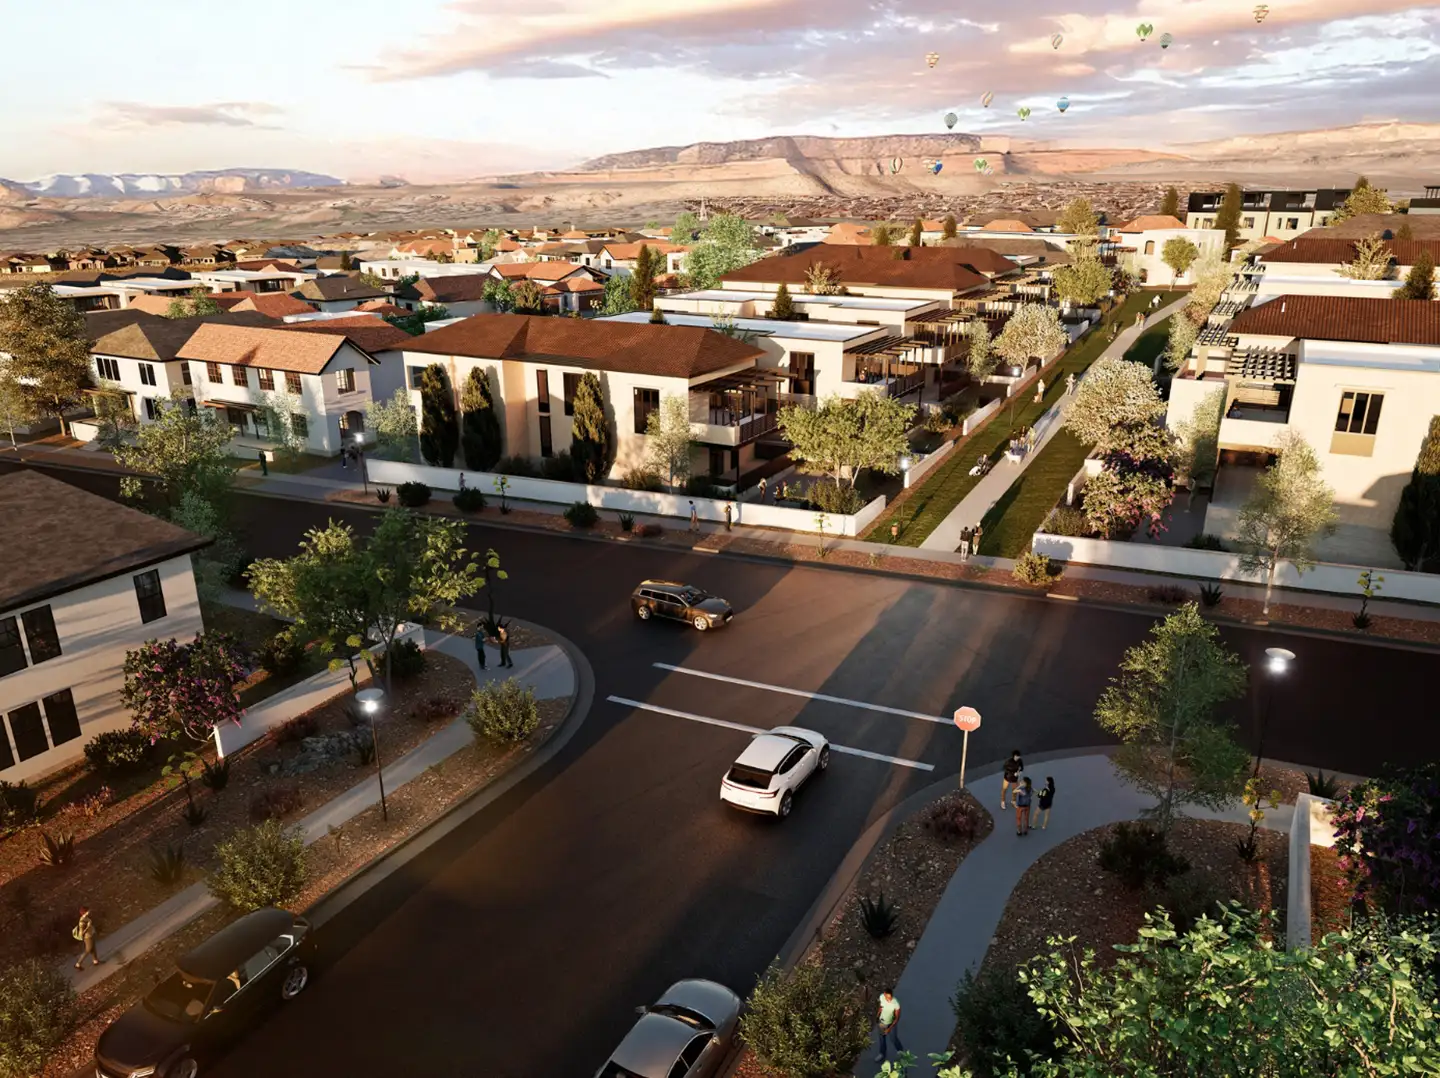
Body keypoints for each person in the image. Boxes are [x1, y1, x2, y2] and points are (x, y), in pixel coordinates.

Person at [874, 988, 904, 1063]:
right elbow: (881, 1007)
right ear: (884, 995)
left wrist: (889, 1029)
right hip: (882, 1022)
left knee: (893, 1039)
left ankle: (901, 1052)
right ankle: (882, 1054)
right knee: (882, 1039)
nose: (889, 999)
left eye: (890, 997)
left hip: (891, 1023)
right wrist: (877, 1016)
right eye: (887, 997)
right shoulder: (881, 997)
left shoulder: (895, 1003)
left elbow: (896, 1018)